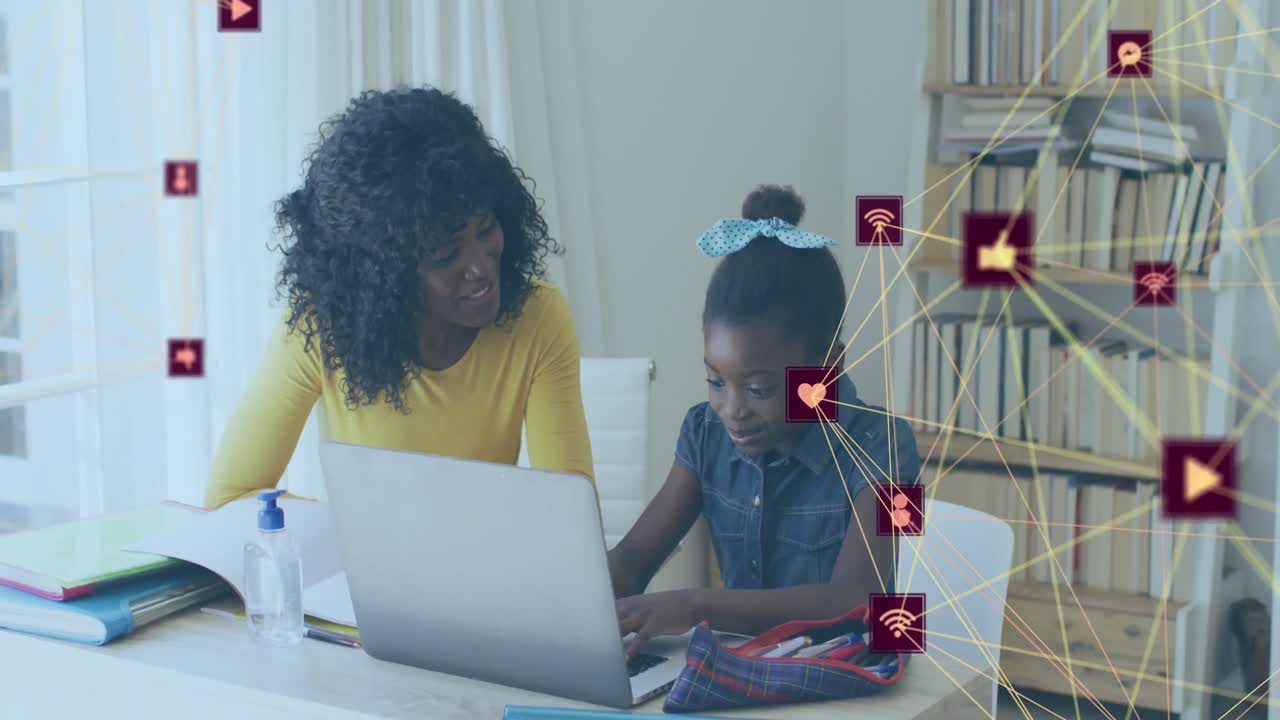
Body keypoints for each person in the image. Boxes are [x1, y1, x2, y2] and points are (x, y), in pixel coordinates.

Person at [203, 86, 592, 508]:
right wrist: (366, 537)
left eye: (485, 230)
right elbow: (231, 497)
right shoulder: (323, 325)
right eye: (446, 255)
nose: (480, 266)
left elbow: (570, 514)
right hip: (363, 573)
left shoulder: (537, 316)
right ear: (385, 275)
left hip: (486, 571)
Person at [607, 185, 921, 656]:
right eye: (716, 381)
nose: (732, 409)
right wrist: (574, 597)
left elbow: (862, 601)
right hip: (745, 678)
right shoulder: (704, 434)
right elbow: (633, 558)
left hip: (850, 684)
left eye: (759, 390)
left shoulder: (887, 444)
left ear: (828, 369)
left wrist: (696, 606)